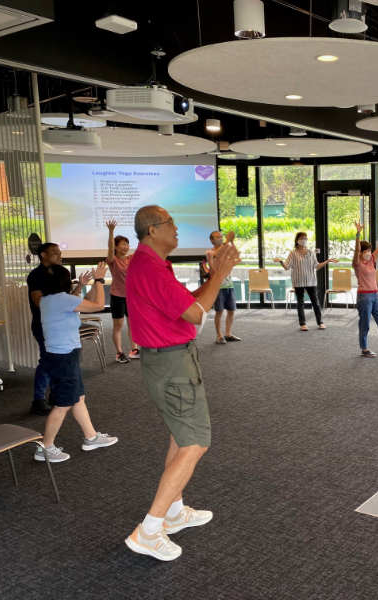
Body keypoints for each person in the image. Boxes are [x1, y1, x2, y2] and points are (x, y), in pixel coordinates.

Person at [124, 205, 239, 562]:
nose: (176, 228)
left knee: (180, 435)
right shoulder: (148, 267)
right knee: (195, 442)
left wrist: (214, 275)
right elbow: (195, 313)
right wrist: (220, 273)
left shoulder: (153, 265)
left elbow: (188, 302)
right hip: (171, 363)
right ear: (152, 230)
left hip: (171, 359)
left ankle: (173, 512)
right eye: (171, 223)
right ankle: (149, 528)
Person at [33, 262, 118, 463]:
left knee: (78, 398)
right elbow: (97, 305)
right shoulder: (63, 300)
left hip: (62, 355)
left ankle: (91, 437)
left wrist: (81, 286)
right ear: (63, 282)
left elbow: (76, 300)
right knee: (62, 404)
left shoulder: (48, 300)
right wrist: (99, 280)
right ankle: (45, 448)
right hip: (63, 358)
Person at [27, 242, 90, 415]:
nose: (59, 255)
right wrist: (60, 302)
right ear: (43, 255)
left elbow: (67, 300)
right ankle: (38, 399)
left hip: (61, 326)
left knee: (57, 361)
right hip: (44, 326)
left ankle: (55, 396)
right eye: (55, 253)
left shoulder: (59, 274)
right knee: (47, 361)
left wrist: (79, 287)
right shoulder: (36, 275)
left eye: (60, 252)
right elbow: (40, 302)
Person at [274, 232, 337, 331]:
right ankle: (302, 323)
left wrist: (327, 261)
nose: (304, 240)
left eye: (305, 238)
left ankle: (320, 322)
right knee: (300, 302)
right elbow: (286, 267)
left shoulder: (311, 252)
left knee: (315, 302)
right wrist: (281, 261)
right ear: (297, 240)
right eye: (302, 238)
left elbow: (317, 266)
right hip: (298, 281)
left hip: (311, 281)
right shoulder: (293, 253)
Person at [352, 221, 378, 357]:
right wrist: (358, 234)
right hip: (364, 296)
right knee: (365, 324)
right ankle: (364, 349)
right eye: (366, 251)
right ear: (361, 253)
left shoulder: (371, 260)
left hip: (375, 296)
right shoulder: (357, 263)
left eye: (369, 250)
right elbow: (357, 250)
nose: (369, 253)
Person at [106, 220, 138, 363]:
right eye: (122, 244)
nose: (126, 247)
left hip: (132, 297)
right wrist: (111, 232)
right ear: (116, 247)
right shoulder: (112, 260)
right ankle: (119, 353)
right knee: (118, 326)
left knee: (132, 324)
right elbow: (110, 247)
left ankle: (134, 349)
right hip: (117, 296)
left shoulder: (132, 259)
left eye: (127, 244)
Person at [205, 230, 241, 344]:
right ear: (211, 240)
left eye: (221, 236)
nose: (220, 238)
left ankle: (228, 334)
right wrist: (227, 242)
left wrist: (232, 242)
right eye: (217, 237)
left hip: (228, 285)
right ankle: (219, 335)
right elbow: (217, 255)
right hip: (217, 287)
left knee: (231, 310)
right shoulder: (210, 252)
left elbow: (236, 253)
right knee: (219, 311)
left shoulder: (225, 250)